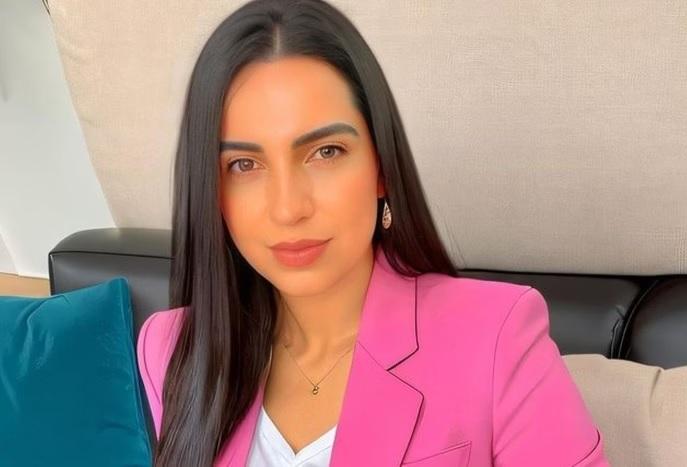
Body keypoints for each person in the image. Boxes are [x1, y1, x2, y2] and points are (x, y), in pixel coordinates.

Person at [136, 0, 610, 465]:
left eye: (325, 152)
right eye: (244, 164)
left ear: (381, 166)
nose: (289, 208)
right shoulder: (172, 347)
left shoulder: (497, 336)